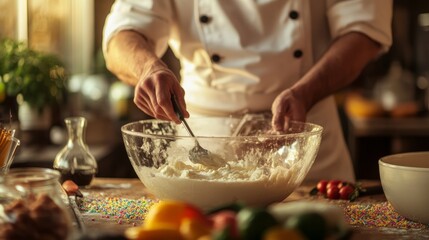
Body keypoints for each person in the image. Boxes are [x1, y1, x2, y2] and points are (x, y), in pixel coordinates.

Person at [102, 0, 392, 182]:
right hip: (200, 147)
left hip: (305, 143)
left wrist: (306, 92)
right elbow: (122, 35)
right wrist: (148, 69)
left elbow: (364, 31)